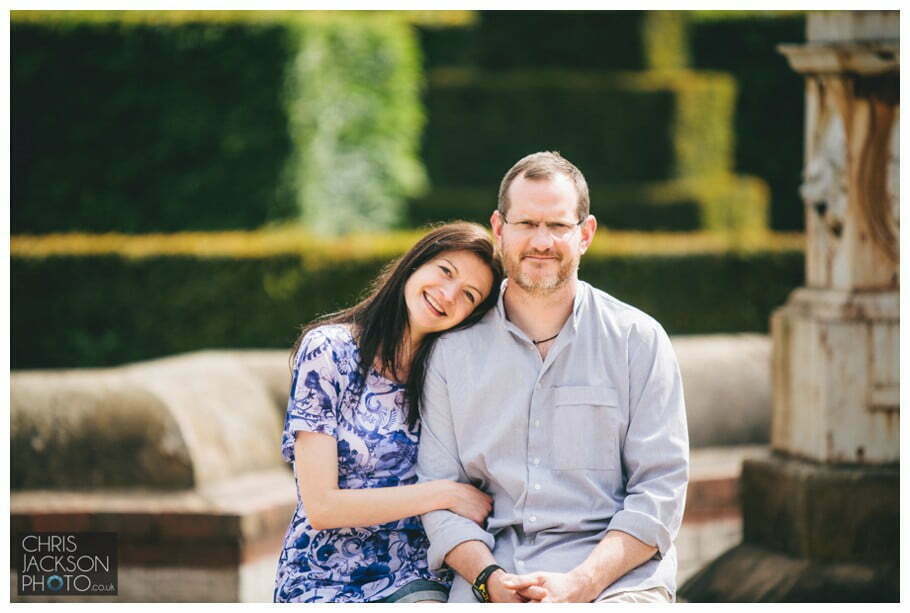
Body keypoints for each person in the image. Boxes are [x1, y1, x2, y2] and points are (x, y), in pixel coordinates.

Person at [417, 152, 689, 603]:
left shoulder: (638, 341)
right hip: (494, 574)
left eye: (558, 226)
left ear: (585, 234)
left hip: (617, 581)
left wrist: (581, 585)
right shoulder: (450, 355)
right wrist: (490, 581)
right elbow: (441, 500)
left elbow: (660, 493)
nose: (541, 241)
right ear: (499, 229)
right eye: (526, 223)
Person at [273, 222, 504, 603]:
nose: (447, 295)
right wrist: (444, 493)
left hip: (420, 574)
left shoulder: (448, 377)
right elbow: (321, 506)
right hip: (323, 576)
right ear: (416, 263)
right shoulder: (329, 352)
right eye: (445, 272)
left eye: (468, 295)